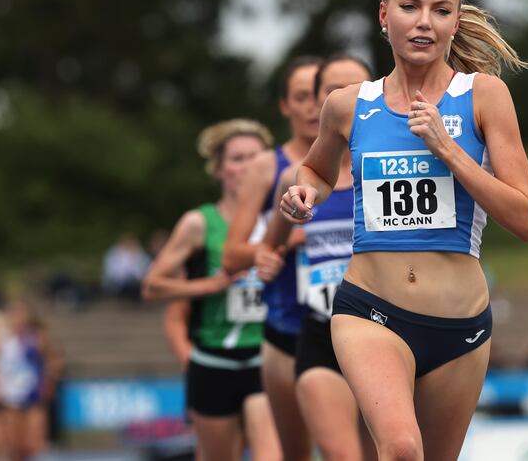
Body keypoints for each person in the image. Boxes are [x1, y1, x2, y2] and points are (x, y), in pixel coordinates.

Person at [282, 0, 528, 461]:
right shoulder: (348, 104)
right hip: (369, 310)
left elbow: (525, 218)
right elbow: (315, 170)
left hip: (459, 326)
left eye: (440, 10)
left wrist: (449, 151)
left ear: (455, 22)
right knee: (400, 448)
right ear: (384, 15)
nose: (424, 22)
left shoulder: (484, 97)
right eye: (409, 7)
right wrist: (304, 192)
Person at [257, 55, 375, 461]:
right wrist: (270, 256)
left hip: (385, 330)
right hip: (320, 331)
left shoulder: (391, 167)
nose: (346, 98)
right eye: (333, 91)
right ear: (321, 102)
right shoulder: (296, 177)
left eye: (356, 89)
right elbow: (268, 246)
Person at [142, 119, 281, 461]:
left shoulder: (279, 219)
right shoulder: (200, 223)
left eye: (256, 157)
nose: (247, 166)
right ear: (219, 169)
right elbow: (152, 287)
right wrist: (209, 284)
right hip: (214, 360)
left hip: (266, 356)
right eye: (237, 158)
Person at [222, 56, 323, 461]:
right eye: (301, 97)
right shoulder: (267, 168)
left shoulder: (361, 158)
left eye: (320, 94)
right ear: (285, 106)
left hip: (357, 325)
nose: (313, 106)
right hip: (288, 330)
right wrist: (288, 241)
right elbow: (233, 255)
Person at [0, 300, 63, 461]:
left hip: (33, 395)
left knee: (33, 444)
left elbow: (54, 360)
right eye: (15, 315)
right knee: (12, 444)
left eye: (22, 315)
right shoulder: (2, 339)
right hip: (9, 396)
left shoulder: (37, 337)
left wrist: (50, 380)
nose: (18, 319)